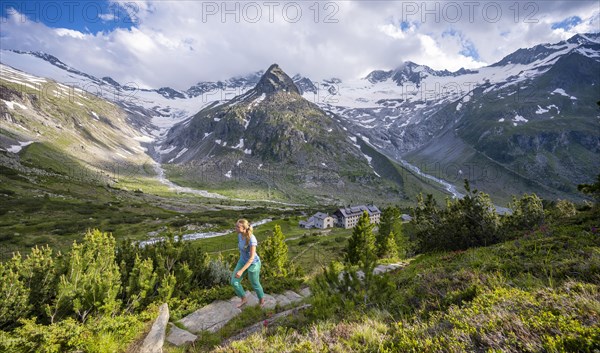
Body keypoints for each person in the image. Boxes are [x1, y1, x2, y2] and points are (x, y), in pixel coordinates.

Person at [230, 218, 265, 307]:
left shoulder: (252, 240)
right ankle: (243, 299)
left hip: (253, 263)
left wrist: (241, 271)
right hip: (243, 260)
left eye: (237, 227)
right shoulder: (239, 235)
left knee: (254, 283)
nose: (235, 228)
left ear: (244, 228)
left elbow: (252, 258)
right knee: (234, 282)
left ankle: (261, 300)